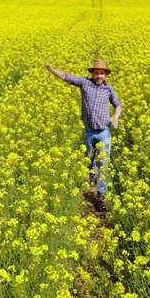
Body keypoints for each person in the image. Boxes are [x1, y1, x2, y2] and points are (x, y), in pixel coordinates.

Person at [44, 59, 123, 212]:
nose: (99, 76)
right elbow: (66, 76)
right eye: (96, 73)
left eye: (101, 73)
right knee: (88, 160)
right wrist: (52, 69)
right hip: (88, 131)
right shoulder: (84, 83)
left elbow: (118, 104)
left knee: (103, 165)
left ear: (105, 75)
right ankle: (91, 175)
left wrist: (115, 118)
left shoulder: (109, 89)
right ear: (92, 74)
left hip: (104, 132)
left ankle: (101, 197)